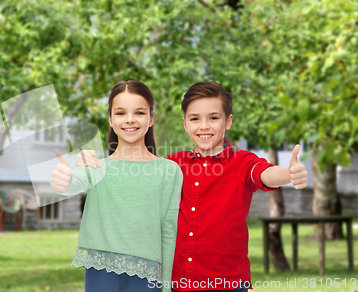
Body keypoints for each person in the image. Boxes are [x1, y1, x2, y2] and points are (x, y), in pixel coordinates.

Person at [74, 81, 308, 291]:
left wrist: (288, 174)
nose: (204, 126)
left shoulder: (242, 162)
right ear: (185, 124)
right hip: (179, 283)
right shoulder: (172, 165)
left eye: (213, 118)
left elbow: (265, 174)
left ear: (228, 121)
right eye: (195, 118)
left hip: (227, 283)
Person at [51, 79, 183, 292]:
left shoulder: (169, 171)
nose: (130, 120)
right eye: (121, 113)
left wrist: (166, 287)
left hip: (147, 277)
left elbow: (169, 232)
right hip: (100, 273)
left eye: (139, 113)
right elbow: (70, 184)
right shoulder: (95, 166)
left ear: (151, 119)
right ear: (110, 120)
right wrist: (62, 178)